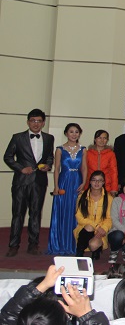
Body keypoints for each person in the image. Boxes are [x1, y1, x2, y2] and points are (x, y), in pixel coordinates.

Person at [4, 109, 55, 257]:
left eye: (39, 121)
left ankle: (33, 245)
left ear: (43, 123)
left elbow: (50, 157)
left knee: (36, 214)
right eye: (33, 121)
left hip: (39, 182)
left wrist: (48, 165)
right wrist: (21, 168)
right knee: (17, 214)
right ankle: (13, 245)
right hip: (21, 181)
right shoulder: (17, 137)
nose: (36, 124)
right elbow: (7, 157)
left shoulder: (49, 138)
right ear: (28, 122)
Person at [47, 123, 87, 255]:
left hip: (77, 181)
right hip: (64, 181)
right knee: (62, 211)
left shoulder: (83, 149)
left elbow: (84, 167)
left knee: (76, 211)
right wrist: (56, 186)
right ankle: (60, 243)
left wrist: (84, 182)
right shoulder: (60, 149)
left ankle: (75, 244)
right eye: (71, 131)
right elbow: (57, 169)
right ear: (66, 133)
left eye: (76, 132)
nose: (74, 134)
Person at [74, 171, 113, 259]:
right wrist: (96, 226)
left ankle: (96, 250)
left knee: (94, 245)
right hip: (85, 228)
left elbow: (109, 218)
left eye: (100, 180)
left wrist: (103, 228)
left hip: (101, 230)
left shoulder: (109, 198)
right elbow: (79, 217)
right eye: (94, 180)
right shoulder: (82, 196)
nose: (96, 183)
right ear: (90, 181)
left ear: (103, 182)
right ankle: (79, 251)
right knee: (89, 227)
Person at [86, 130, 118, 196]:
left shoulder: (111, 154)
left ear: (107, 140)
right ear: (95, 139)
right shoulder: (88, 153)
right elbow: (84, 170)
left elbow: (114, 172)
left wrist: (114, 188)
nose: (102, 140)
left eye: (104, 138)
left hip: (106, 186)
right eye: (99, 138)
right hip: (90, 185)